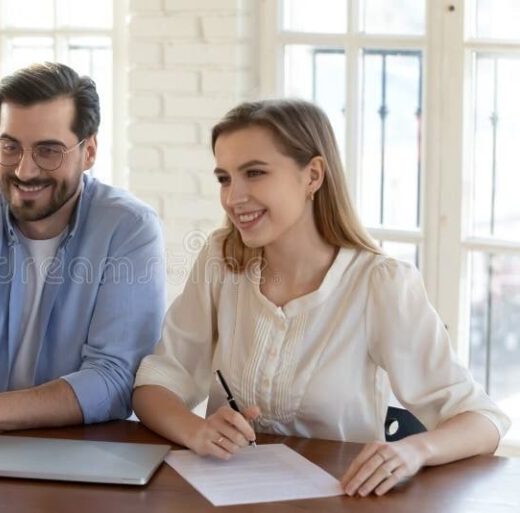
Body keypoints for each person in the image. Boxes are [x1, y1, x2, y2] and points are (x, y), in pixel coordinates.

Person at [132, 99, 510, 497]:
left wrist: (414, 450)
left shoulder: (380, 284)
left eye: (254, 173)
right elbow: (157, 382)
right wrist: (197, 430)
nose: (233, 197)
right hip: (225, 497)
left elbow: (482, 418)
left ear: (312, 175)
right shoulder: (221, 258)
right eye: (224, 179)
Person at [0, 62, 165, 442]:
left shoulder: (129, 228)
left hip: (86, 445)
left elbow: (114, 378)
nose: (25, 170)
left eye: (48, 151)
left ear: (89, 151)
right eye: (11, 147)